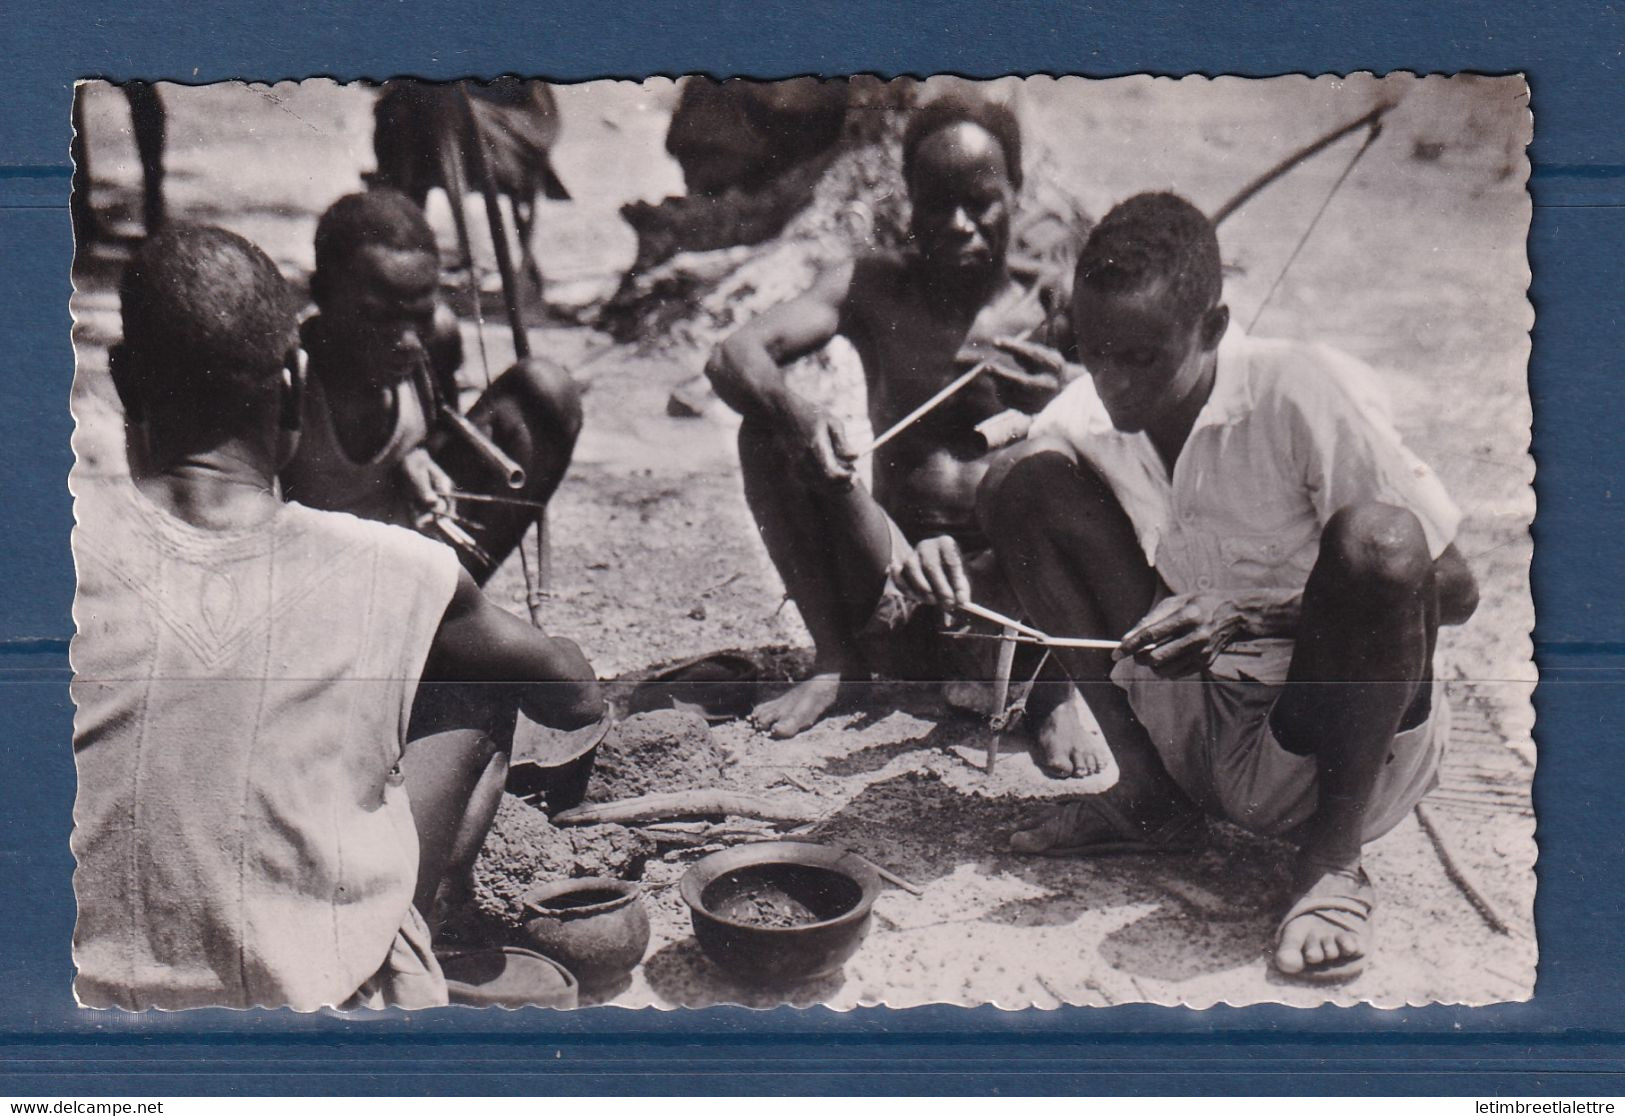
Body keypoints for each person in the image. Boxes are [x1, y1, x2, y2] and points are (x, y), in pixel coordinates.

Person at [907, 192, 1479, 982]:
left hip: (1330, 737)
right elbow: (994, 511)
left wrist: (1248, 615)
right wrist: (929, 553)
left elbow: (1447, 586)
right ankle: (1149, 799)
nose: (1112, 383)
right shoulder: (1090, 408)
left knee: (1377, 542)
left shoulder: (1297, 392)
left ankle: (1331, 864)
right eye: (1093, 351)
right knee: (1019, 481)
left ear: (1212, 328)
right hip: (1198, 727)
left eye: (1141, 358)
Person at [71, 226, 604, 1010]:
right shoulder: (401, 570)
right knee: (476, 679)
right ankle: (419, 933)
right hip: (311, 1006)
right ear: (293, 380)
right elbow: (574, 696)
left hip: (66, 1005)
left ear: (122, 380)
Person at [705, 95, 1061, 738]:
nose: (957, 224)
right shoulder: (873, 286)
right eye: (935, 202)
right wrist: (798, 413)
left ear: (1017, 191)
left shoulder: (1057, 304)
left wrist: (1065, 390)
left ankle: (1059, 694)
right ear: (910, 203)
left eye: (979, 200)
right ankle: (838, 660)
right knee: (766, 431)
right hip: (888, 564)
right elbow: (733, 356)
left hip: (1011, 583)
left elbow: (1135, 430)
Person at [280, 189, 581, 585]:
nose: (408, 343)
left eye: (419, 316)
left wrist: (415, 453)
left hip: (407, 570)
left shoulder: (435, 341)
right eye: (379, 317)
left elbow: (440, 436)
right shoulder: (288, 375)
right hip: (309, 586)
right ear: (322, 296)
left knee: (546, 390)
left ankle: (445, 613)